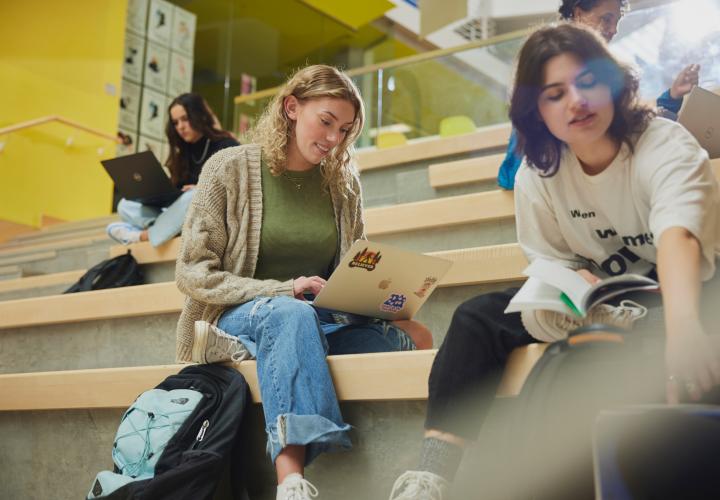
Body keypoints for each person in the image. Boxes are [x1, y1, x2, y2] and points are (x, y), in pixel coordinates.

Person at [390, 23, 720, 499]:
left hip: (685, 284)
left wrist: (688, 327)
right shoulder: (537, 174)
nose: (576, 102)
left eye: (587, 82)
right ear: (536, 110)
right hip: (604, 294)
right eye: (554, 93)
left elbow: (679, 238)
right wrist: (572, 280)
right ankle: (431, 478)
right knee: (475, 316)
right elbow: (546, 259)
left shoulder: (661, 143)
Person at [174, 65, 433, 500]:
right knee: (290, 314)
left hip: (316, 316)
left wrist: (384, 298)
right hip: (243, 311)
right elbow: (192, 272)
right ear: (292, 108)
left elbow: (354, 267)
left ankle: (422, 470)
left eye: (345, 130)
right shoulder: (229, 169)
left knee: (411, 336)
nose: (334, 138)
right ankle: (291, 482)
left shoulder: (342, 184)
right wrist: (281, 289)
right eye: (326, 121)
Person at [497, 0, 701, 190]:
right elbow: (516, 171)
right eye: (606, 19)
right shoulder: (542, 64)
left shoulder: (610, 73)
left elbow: (627, 125)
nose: (613, 30)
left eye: (588, 82)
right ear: (579, 14)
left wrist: (672, 97)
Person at [106, 93, 239, 246]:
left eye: (185, 119)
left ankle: (143, 236)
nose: (180, 127)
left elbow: (237, 187)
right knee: (125, 205)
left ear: (199, 115)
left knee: (194, 195)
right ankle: (170, 229)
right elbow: (177, 192)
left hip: (210, 214)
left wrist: (202, 188)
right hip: (181, 214)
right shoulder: (182, 153)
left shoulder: (226, 144)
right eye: (175, 122)